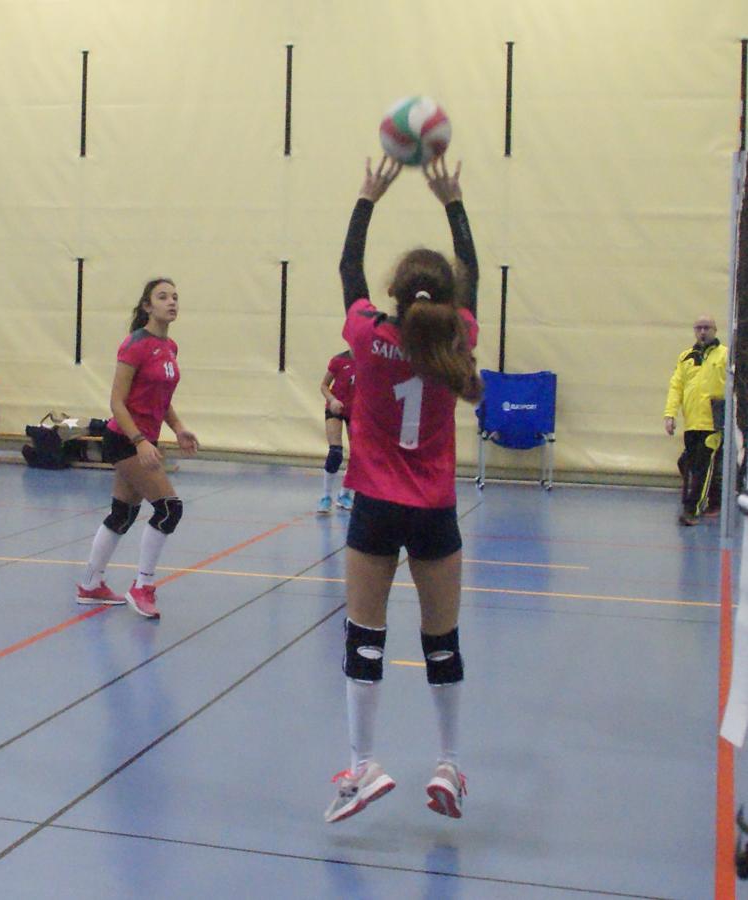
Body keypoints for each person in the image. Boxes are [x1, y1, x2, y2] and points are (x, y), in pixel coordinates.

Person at [324, 155, 481, 825]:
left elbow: (347, 269)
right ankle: (447, 765)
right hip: (435, 512)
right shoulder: (458, 338)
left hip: (375, 506)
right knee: (441, 641)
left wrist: (368, 195)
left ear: (394, 293)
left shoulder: (367, 335)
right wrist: (452, 201)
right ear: (448, 297)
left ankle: (364, 766)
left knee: (365, 634)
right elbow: (473, 277)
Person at [76, 278, 198, 619]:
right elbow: (117, 402)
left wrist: (178, 428)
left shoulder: (170, 347)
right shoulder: (135, 345)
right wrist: (140, 441)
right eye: (163, 297)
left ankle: (90, 585)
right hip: (125, 439)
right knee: (169, 509)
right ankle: (142, 585)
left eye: (175, 297)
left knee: (123, 514)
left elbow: (161, 398)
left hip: (144, 439)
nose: (171, 302)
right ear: (147, 306)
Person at [663, 315, 727, 525]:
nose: (702, 332)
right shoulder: (686, 357)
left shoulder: (725, 355)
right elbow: (676, 387)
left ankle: (692, 509)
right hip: (692, 423)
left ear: (715, 330)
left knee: (704, 466)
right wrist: (670, 414)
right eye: (699, 328)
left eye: (707, 327)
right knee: (689, 464)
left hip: (713, 423)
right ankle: (710, 500)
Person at [318, 349, 356, 514]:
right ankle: (326, 496)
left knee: (357, 456)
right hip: (336, 407)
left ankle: (344, 494)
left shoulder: (369, 360)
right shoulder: (339, 360)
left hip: (356, 411)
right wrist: (332, 400)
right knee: (335, 452)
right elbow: (324, 386)